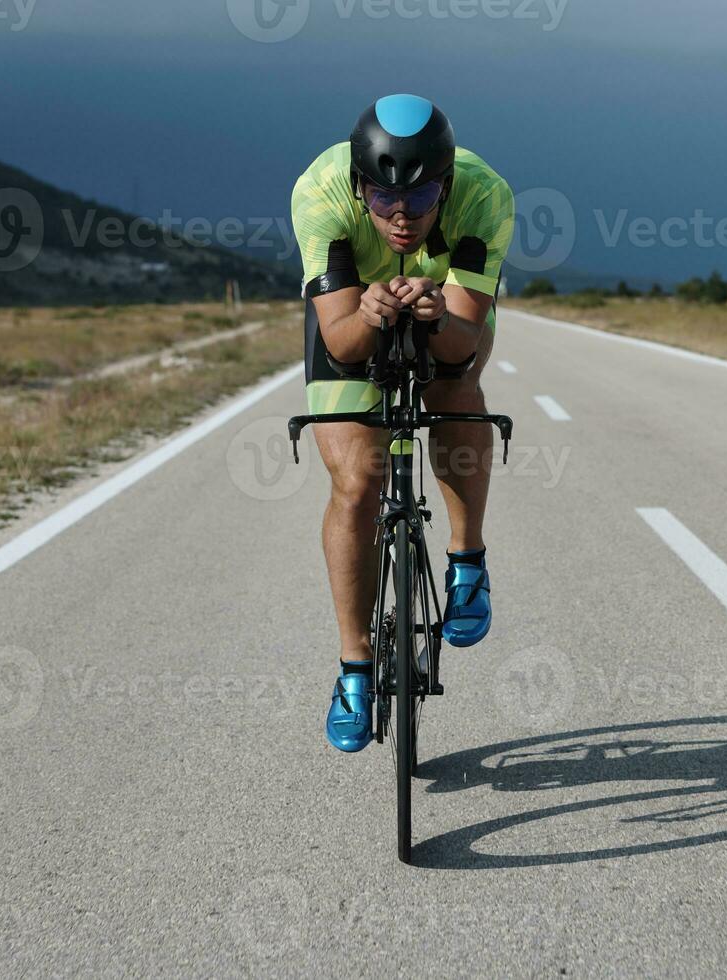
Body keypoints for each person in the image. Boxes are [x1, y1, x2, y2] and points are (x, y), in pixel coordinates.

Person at [290, 94, 514, 752]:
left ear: (446, 186)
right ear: (359, 187)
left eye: (419, 203)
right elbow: (342, 345)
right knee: (358, 481)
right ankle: (355, 669)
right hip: (352, 314)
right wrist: (370, 310)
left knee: (457, 384)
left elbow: (461, 343)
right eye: (385, 201)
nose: (401, 218)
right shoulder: (321, 192)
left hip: (447, 311)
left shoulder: (483, 197)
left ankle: (466, 558)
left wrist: (436, 313)